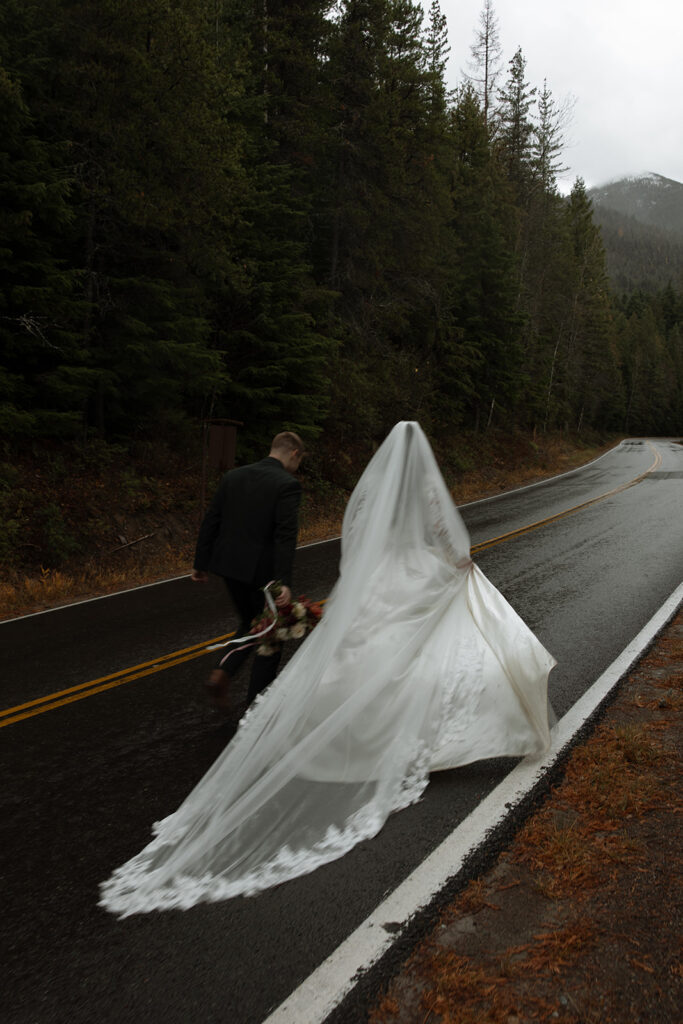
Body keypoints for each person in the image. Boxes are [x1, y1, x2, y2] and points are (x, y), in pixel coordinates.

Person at [100, 422, 556, 917]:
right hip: (413, 571)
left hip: (361, 575)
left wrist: (358, 579)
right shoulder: (423, 488)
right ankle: (422, 731)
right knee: (424, 654)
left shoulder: (369, 487)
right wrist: (457, 561)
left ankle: (333, 724)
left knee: (357, 652)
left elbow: (355, 538)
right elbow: (444, 533)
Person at [192, 430, 305, 708]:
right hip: (261, 574)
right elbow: (284, 537)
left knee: (250, 623)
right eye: (299, 460)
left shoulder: (233, 477)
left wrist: (201, 563)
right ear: (293, 453)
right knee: (273, 633)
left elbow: (211, 521)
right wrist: (284, 581)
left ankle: (222, 673)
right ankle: (256, 707)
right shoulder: (286, 484)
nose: (297, 466)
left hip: (228, 568)